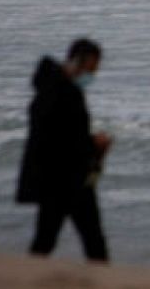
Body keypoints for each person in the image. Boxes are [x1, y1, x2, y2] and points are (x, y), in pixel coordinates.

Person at [16, 37, 112, 262]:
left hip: (57, 178)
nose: (93, 75)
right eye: (92, 68)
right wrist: (95, 145)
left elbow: (59, 135)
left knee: (47, 239)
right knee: (92, 242)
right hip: (66, 179)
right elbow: (64, 139)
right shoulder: (64, 93)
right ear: (81, 61)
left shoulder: (50, 89)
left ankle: (27, 278)